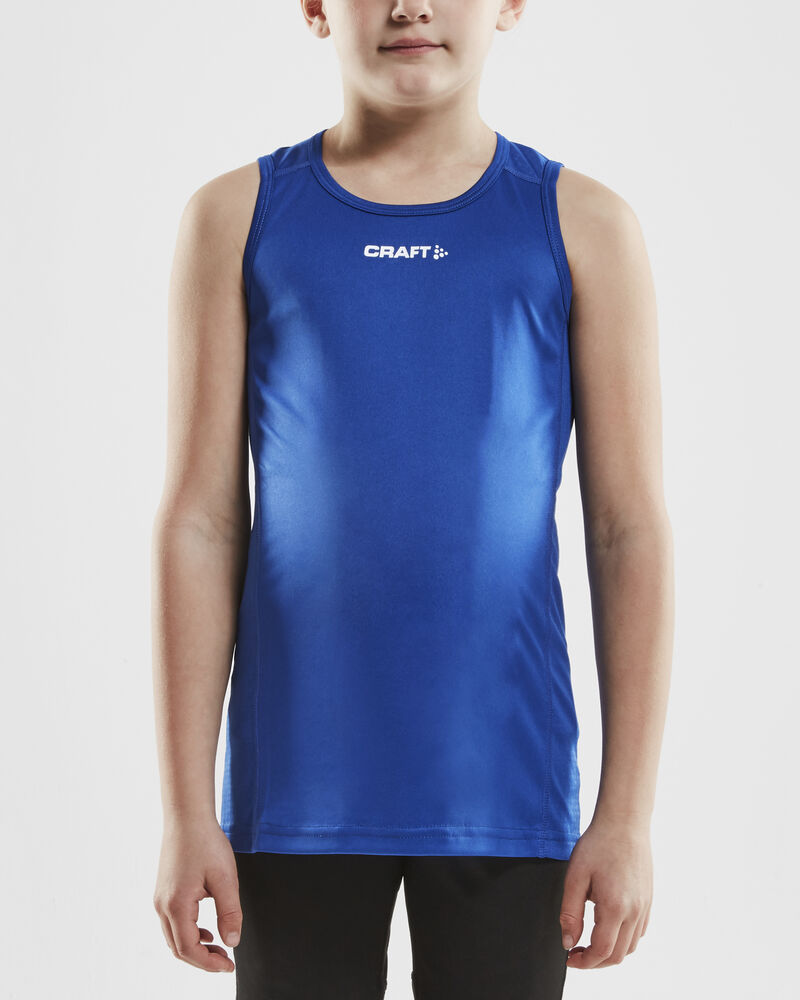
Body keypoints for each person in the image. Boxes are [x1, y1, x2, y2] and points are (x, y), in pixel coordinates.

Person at [151, 1, 674, 997]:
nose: (410, 5)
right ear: (315, 8)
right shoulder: (237, 218)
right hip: (295, 793)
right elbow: (201, 522)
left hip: (505, 787)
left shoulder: (582, 226)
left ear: (510, 5)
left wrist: (627, 815)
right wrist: (185, 811)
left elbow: (627, 529)